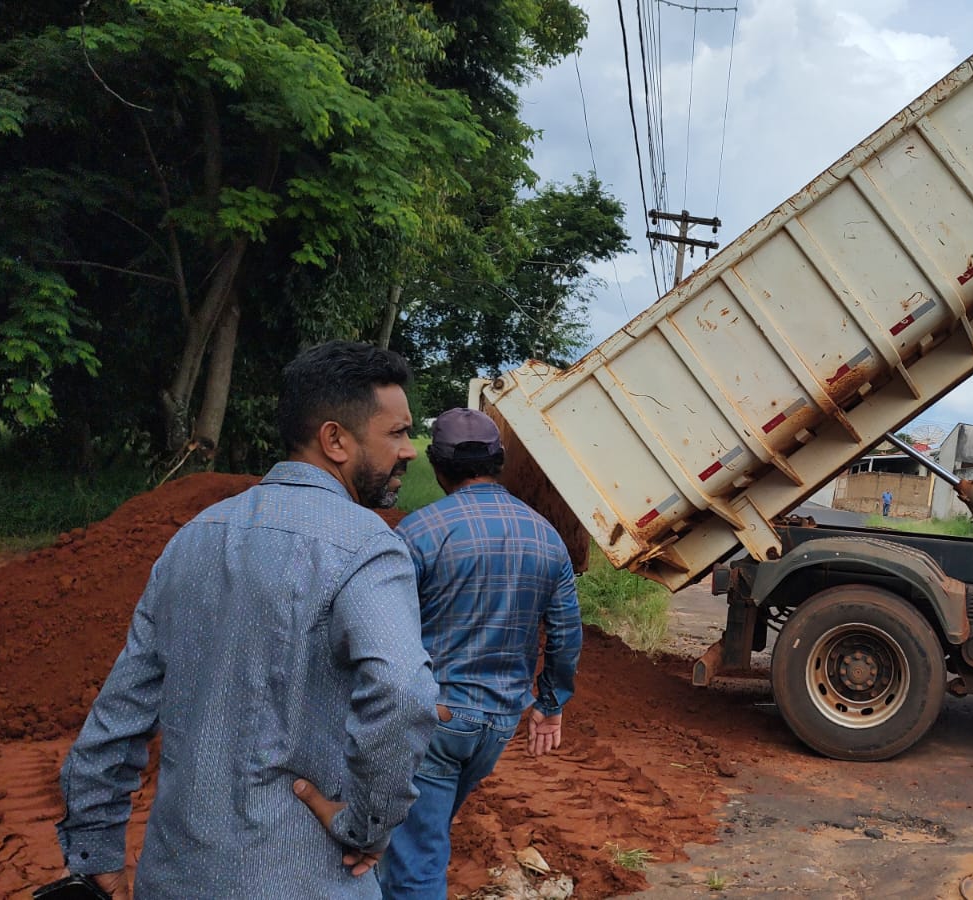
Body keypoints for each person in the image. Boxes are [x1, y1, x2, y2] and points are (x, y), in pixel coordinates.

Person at [53, 340, 438, 899]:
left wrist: (96, 848)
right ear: (335, 439)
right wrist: (368, 825)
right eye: (398, 433)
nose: (409, 452)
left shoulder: (193, 538)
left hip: (176, 877)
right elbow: (403, 695)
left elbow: (120, 710)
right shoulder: (368, 547)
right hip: (306, 881)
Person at [378, 408, 583, 898]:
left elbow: (383, 632)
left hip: (433, 720)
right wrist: (550, 706)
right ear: (499, 461)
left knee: (415, 856)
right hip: (496, 724)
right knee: (420, 835)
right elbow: (565, 634)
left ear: (438, 465)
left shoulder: (418, 533)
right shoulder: (546, 537)